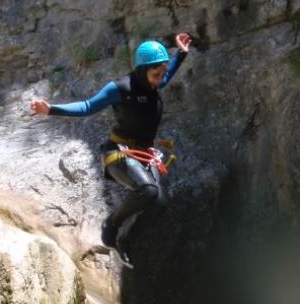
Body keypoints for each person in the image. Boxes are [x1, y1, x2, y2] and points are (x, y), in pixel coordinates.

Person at [30, 32, 192, 268]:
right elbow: (87, 106)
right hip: (118, 151)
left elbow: (168, 73)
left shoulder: (154, 82)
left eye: (162, 74)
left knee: (158, 202)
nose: (160, 80)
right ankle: (111, 225)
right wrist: (51, 109)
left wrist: (182, 54)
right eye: (156, 74)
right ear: (142, 70)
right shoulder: (120, 88)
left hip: (144, 154)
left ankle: (124, 239)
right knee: (148, 191)